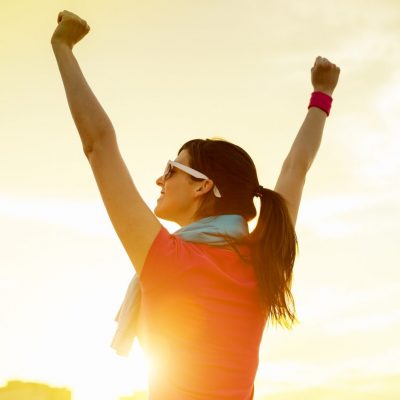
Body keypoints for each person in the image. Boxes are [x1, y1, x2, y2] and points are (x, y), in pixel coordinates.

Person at [51, 10, 340, 400]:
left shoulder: (168, 260)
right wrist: (322, 95)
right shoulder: (263, 259)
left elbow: (98, 144)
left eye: (171, 169)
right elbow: (296, 169)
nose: (159, 179)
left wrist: (62, 47)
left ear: (204, 186)